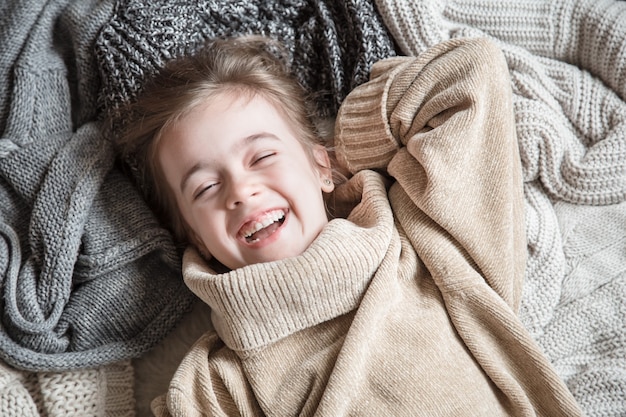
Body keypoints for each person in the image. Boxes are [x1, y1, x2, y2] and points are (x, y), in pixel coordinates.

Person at [114, 36, 583, 416]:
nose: (240, 190)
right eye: (204, 188)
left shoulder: (428, 249)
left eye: (263, 156)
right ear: (195, 236)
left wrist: (346, 151)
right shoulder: (215, 387)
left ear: (321, 164)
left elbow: (469, 72)